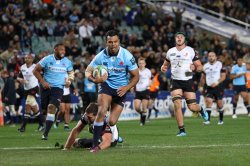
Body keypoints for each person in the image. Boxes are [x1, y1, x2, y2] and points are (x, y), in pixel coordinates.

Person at [85, 30, 139, 152]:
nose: (113, 44)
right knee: (102, 110)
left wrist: (127, 88)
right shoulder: (100, 56)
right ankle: (95, 144)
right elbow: (87, 71)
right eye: (110, 42)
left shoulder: (127, 56)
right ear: (106, 42)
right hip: (106, 87)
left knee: (112, 121)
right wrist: (94, 79)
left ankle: (102, 126)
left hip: (121, 90)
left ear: (119, 41)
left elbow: (136, 76)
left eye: (115, 41)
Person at [160, 32, 208, 136]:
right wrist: (163, 68)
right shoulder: (170, 51)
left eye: (181, 37)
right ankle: (182, 130)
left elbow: (200, 67)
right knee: (177, 104)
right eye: (177, 36)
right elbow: (165, 65)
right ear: (175, 39)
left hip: (188, 81)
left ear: (184, 39)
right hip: (175, 81)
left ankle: (201, 109)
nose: (179, 38)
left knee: (192, 107)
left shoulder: (191, 50)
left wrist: (195, 68)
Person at [33, 43, 74, 140]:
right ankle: (44, 124)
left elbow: (71, 72)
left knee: (51, 107)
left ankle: (45, 133)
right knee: (44, 109)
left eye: (64, 50)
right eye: (61, 50)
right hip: (45, 88)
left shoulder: (67, 61)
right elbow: (35, 70)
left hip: (58, 88)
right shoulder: (47, 59)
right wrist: (42, 82)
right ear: (55, 50)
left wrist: (69, 81)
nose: (63, 52)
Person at [17, 53, 44, 132]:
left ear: (32, 59)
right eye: (25, 58)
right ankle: (41, 125)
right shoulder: (22, 67)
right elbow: (18, 77)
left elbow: (41, 76)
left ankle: (23, 127)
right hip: (26, 90)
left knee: (27, 107)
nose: (26, 59)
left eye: (28, 58)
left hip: (34, 88)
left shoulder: (35, 67)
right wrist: (21, 80)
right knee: (34, 108)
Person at [201, 51, 226, 125]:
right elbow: (203, 77)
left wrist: (216, 83)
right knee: (208, 102)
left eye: (212, 56)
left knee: (219, 104)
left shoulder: (220, 64)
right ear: (207, 57)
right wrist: (202, 85)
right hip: (209, 87)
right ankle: (208, 120)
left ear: (215, 57)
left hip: (218, 87)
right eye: (209, 56)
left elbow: (223, 76)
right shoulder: (205, 66)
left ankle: (221, 120)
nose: (211, 57)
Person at [133, 57, 151, 126]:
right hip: (138, 90)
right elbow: (133, 79)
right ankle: (142, 115)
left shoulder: (148, 71)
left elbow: (150, 80)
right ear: (138, 64)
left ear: (145, 64)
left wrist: (149, 83)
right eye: (140, 63)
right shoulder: (136, 71)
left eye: (142, 63)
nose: (141, 64)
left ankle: (142, 121)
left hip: (146, 90)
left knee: (144, 107)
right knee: (137, 107)